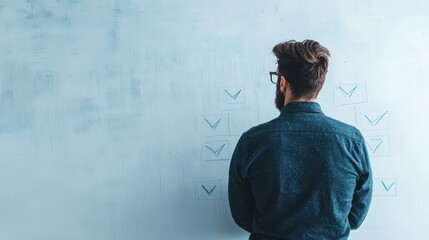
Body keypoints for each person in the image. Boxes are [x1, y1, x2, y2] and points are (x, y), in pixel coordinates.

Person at [228, 39, 372, 240]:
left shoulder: (251, 142)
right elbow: (356, 215)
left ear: (283, 82)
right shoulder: (352, 140)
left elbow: (242, 215)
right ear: (318, 85)